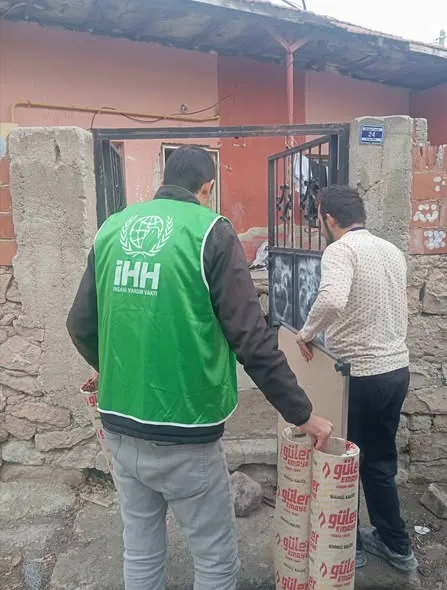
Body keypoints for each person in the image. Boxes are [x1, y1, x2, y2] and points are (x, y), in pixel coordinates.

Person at [67, 145, 333, 590]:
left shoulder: (111, 228)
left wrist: (112, 367)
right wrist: (302, 413)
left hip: (119, 426)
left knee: (140, 548)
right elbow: (252, 339)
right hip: (186, 431)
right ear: (207, 188)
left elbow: (79, 325)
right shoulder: (211, 232)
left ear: (162, 179)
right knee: (214, 558)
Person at [296, 185, 417, 572]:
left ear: (329, 218)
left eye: (320, 217)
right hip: (396, 371)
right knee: (379, 461)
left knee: (342, 458)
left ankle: (347, 545)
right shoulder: (391, 251)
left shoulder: (341, 250)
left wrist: (307, 333)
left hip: (359, 375)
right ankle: (397, 545)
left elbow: (332, 299)